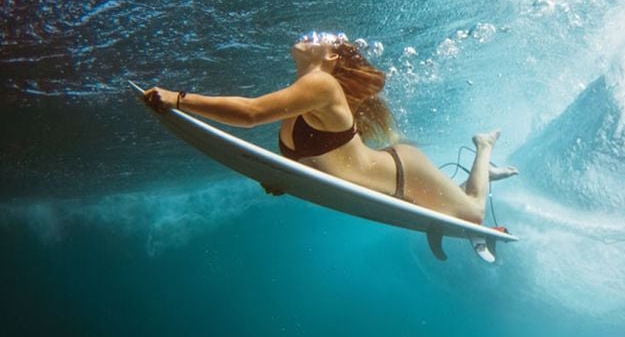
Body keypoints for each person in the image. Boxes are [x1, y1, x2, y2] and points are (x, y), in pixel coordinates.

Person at [144, 32, 516, 225]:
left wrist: (177, 98)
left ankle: (483, 147)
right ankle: (480, 170)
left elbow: (251, 114)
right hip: (388, 171)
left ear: (331, 57)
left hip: (402, 174)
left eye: (318, 38)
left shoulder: (321, 85)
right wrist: (289, 176)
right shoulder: (305, 94)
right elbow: (318, 159)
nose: (308, 36)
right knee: (462, 201)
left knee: (473, 213)